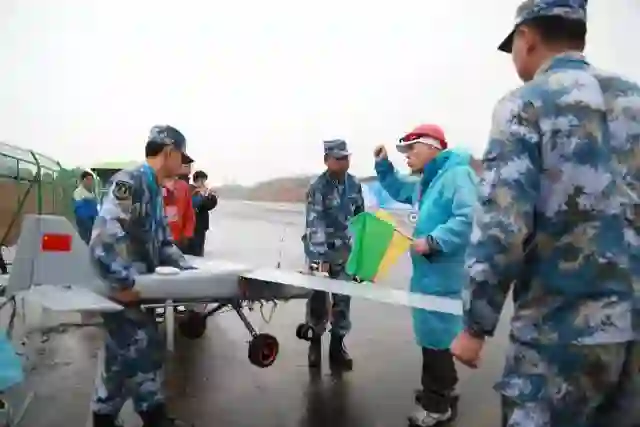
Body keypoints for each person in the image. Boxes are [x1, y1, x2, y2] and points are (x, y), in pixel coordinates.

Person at [450, 1, 640, 426]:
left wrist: (475, 325)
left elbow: (502, 227)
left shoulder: (526, 104)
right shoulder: (633, 98)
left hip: (559, 334)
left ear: (527, 37)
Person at [89, 124, 196, 427]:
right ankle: (153, 415)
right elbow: (104, 234)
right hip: (126, 287)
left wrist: (190, 271)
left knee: (121, 356)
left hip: (140, 287)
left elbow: (162, 242)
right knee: (143, 349)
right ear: (169, 152)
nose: (184, 164)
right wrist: (120, 282)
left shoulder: (154, 189)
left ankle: (104, 417)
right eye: (182, 156)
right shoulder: (129, 181)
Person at [374, 124, 477, 427]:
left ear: (432, 147)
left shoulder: (457, 176)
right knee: (435, 337)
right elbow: (398, 188)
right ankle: (443, 390)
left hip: (445, 275)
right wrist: (383, 165)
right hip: (429, 275)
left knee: (436, 341)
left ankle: (437, 405)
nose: (407, 155)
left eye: (411, 148)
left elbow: (469, 217)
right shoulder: (427, 182)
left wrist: (433, 241)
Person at [302, 139, 365, 371]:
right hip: (320, 251)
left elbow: (360, 218)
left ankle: (337, 346)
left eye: (345, 157)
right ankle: (314, 343)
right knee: (318, 300)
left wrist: (362, 255)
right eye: (337, 158)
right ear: (326, 160)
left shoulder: (354, 184)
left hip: (344, 252)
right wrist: (320, 259)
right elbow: (314, 222)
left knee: (343, 299)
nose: (342, 162)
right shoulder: (317, 186)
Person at [163, 161, 195, 252]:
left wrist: (187, 234)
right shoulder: (154, 184)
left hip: (177, 238)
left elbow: (189, 213)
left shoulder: (183, 186)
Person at [187, 170, 218, 257]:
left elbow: (209, 205)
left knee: (199, 249)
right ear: (199, 180)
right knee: (193, 250)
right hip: (193, 225)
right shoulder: (190, 190)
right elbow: (193, 204)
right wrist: (202, 196)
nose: (204, 183)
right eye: (203, 181)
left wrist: (211, 197)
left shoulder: (204, 192)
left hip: (201, 225)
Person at [73, 170, 99, 244]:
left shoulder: (92, 193)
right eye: (87, 179)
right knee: (84, 238)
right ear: (83, 181)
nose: (90, 182)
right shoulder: (78, 192)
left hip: (92, 220)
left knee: (90, 238)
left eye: (91, 180)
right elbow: (79, 207)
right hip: (83, 220)